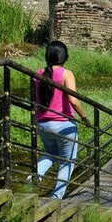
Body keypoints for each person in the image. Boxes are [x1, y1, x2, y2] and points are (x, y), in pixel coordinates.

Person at [33, 41, 90, 199]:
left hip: (43, 123)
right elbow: (73, 100)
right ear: (65, 57)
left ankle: (33, 178)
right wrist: (85, 118)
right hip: (64, 126)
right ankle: (56, 199)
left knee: (50, 153)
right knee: (66, 161)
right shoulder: (66, 74)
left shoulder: (38, 73)